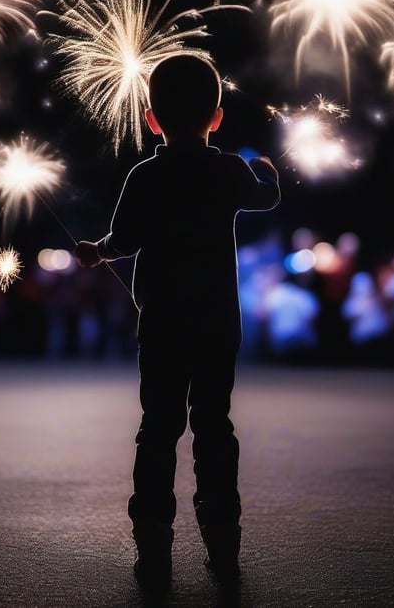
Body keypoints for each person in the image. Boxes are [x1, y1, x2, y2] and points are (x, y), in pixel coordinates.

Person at [74, 54, 281, 588]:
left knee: (158, 427)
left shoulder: (145, 174)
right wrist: (267, 172)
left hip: (163, 321)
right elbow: (265, 197)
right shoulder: (229, 169)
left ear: (151, 118)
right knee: (215, 423)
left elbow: (124, 240)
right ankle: (222, 541)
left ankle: (152, 545)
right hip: (217, 321)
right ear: (216, 116)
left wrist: (97, 251)